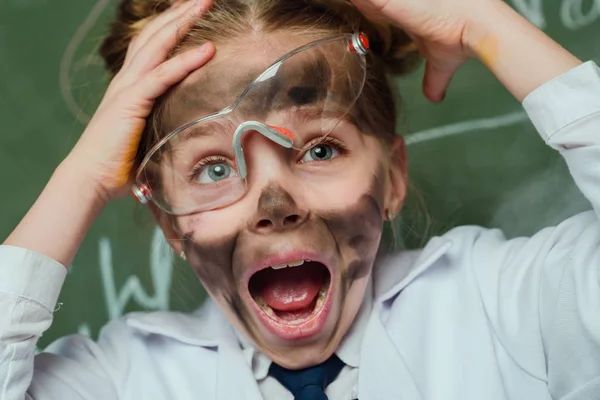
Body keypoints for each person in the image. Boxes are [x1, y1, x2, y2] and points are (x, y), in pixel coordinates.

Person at [1, 0, 598, 398]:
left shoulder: (511, 308)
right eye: (213, 166)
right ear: (170, 226)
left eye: (319, 150)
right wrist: (80, 178)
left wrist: (484, 24)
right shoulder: (125, 381)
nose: (274, 202)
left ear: (391, 178)